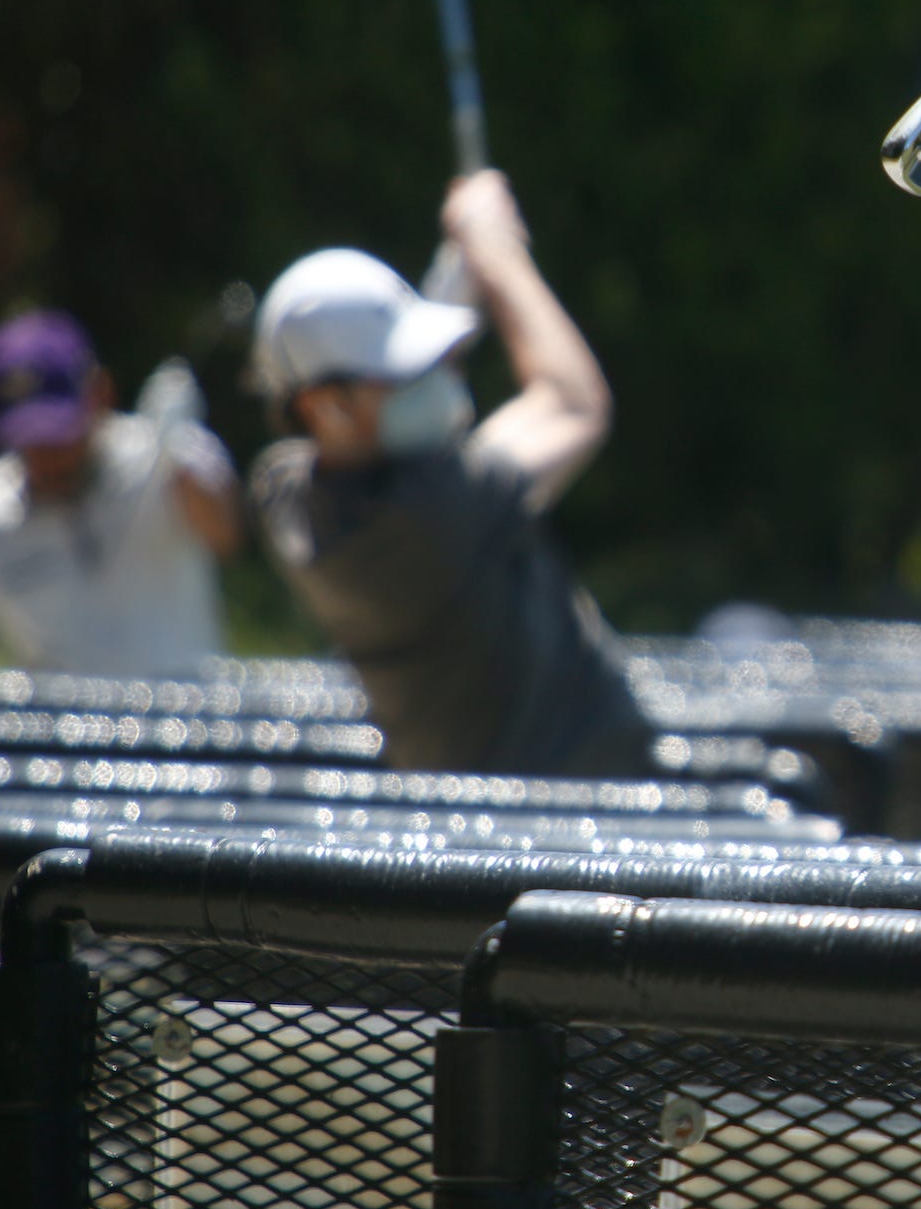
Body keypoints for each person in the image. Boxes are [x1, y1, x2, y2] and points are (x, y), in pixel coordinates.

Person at [249, 170, 656, 777]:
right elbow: (573, 404)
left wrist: (447, 293)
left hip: (471, 813)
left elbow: (380, 440)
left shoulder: (284, 494)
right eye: (409, 371)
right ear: (322, 408)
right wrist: (496, 250)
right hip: (586, 802)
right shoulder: (436, 511)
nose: (440, 379)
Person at [0, 311, 242, 678]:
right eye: (28, 438)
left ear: (99, 393)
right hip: (60, 730)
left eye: (59, 431)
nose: (47, 454)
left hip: (194, 719)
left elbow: (225, 536)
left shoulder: (160, 459)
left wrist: (180, 450)